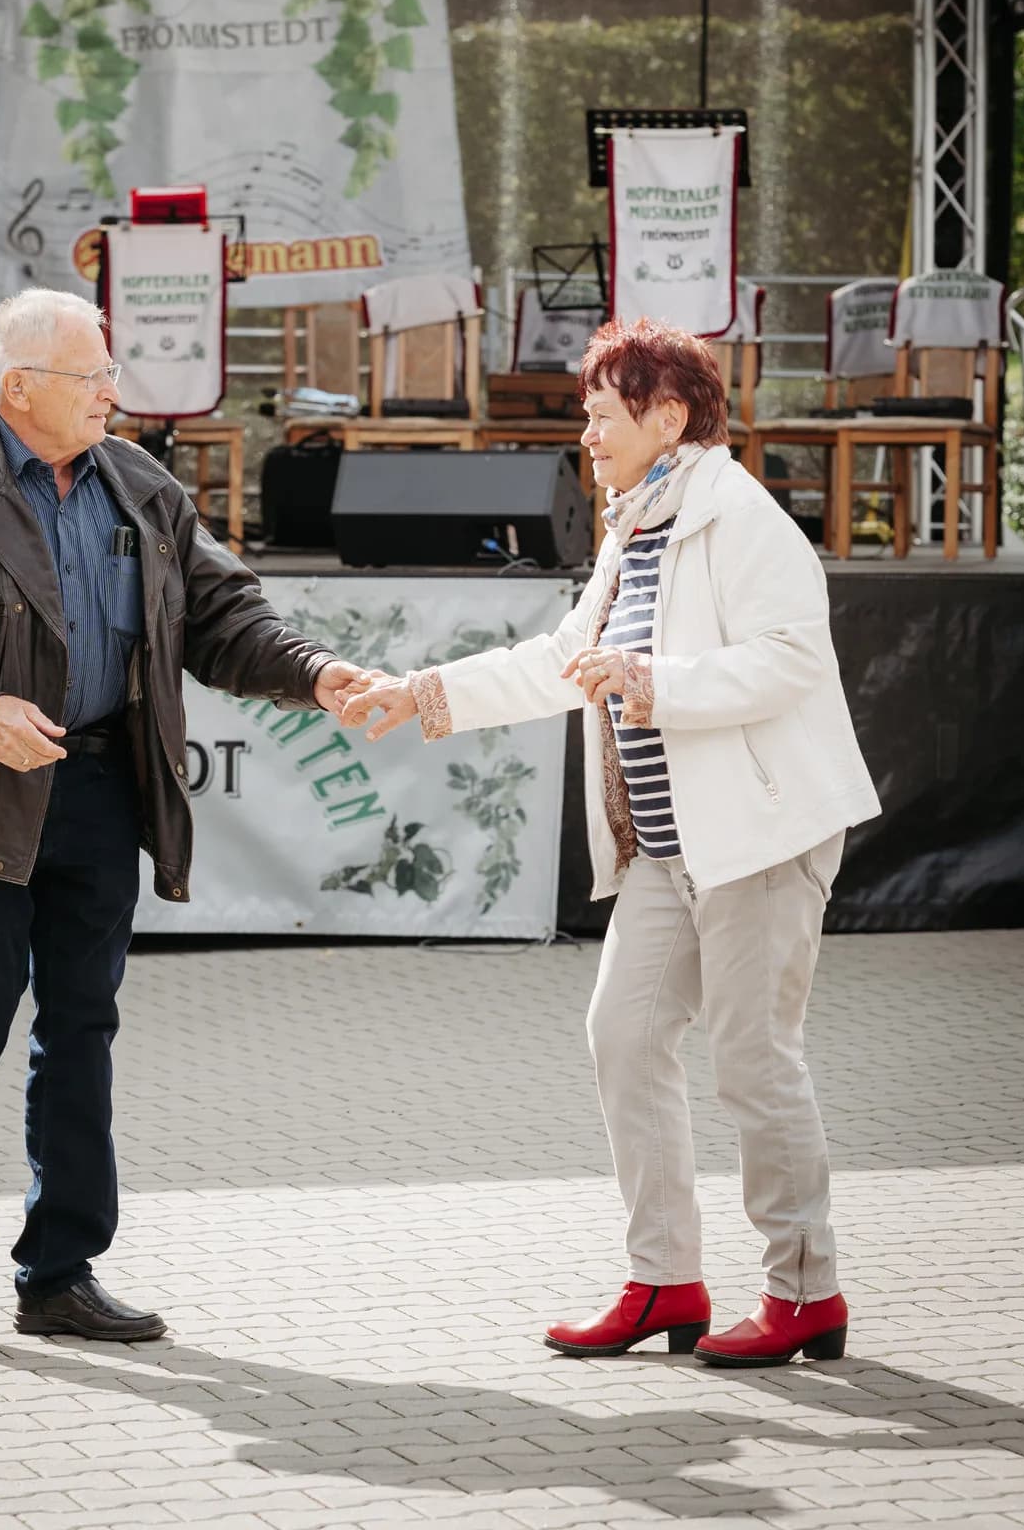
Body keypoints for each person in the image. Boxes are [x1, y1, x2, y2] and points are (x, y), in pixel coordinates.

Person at [336, 317, 880, 1369]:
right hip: (671, 854)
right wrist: (422, 693)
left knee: (753, 1060)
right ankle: (664, 1276)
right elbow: (562, 660)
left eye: (599, 416)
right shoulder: (638, 523)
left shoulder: (738, 515)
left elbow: (790, 660)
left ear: (667, 416)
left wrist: (655, 684)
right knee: (623, 1037)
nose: (586, 435)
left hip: (760, 837)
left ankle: (803, 1288)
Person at [0, 287, 366, 1342]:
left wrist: (315, 671)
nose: (114, 390)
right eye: (95, 375)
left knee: (80, 1027)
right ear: (20, 387)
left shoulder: (140, 482)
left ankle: (58, 1273)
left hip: (101, 786)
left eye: (112, 370)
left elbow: (221, 614)